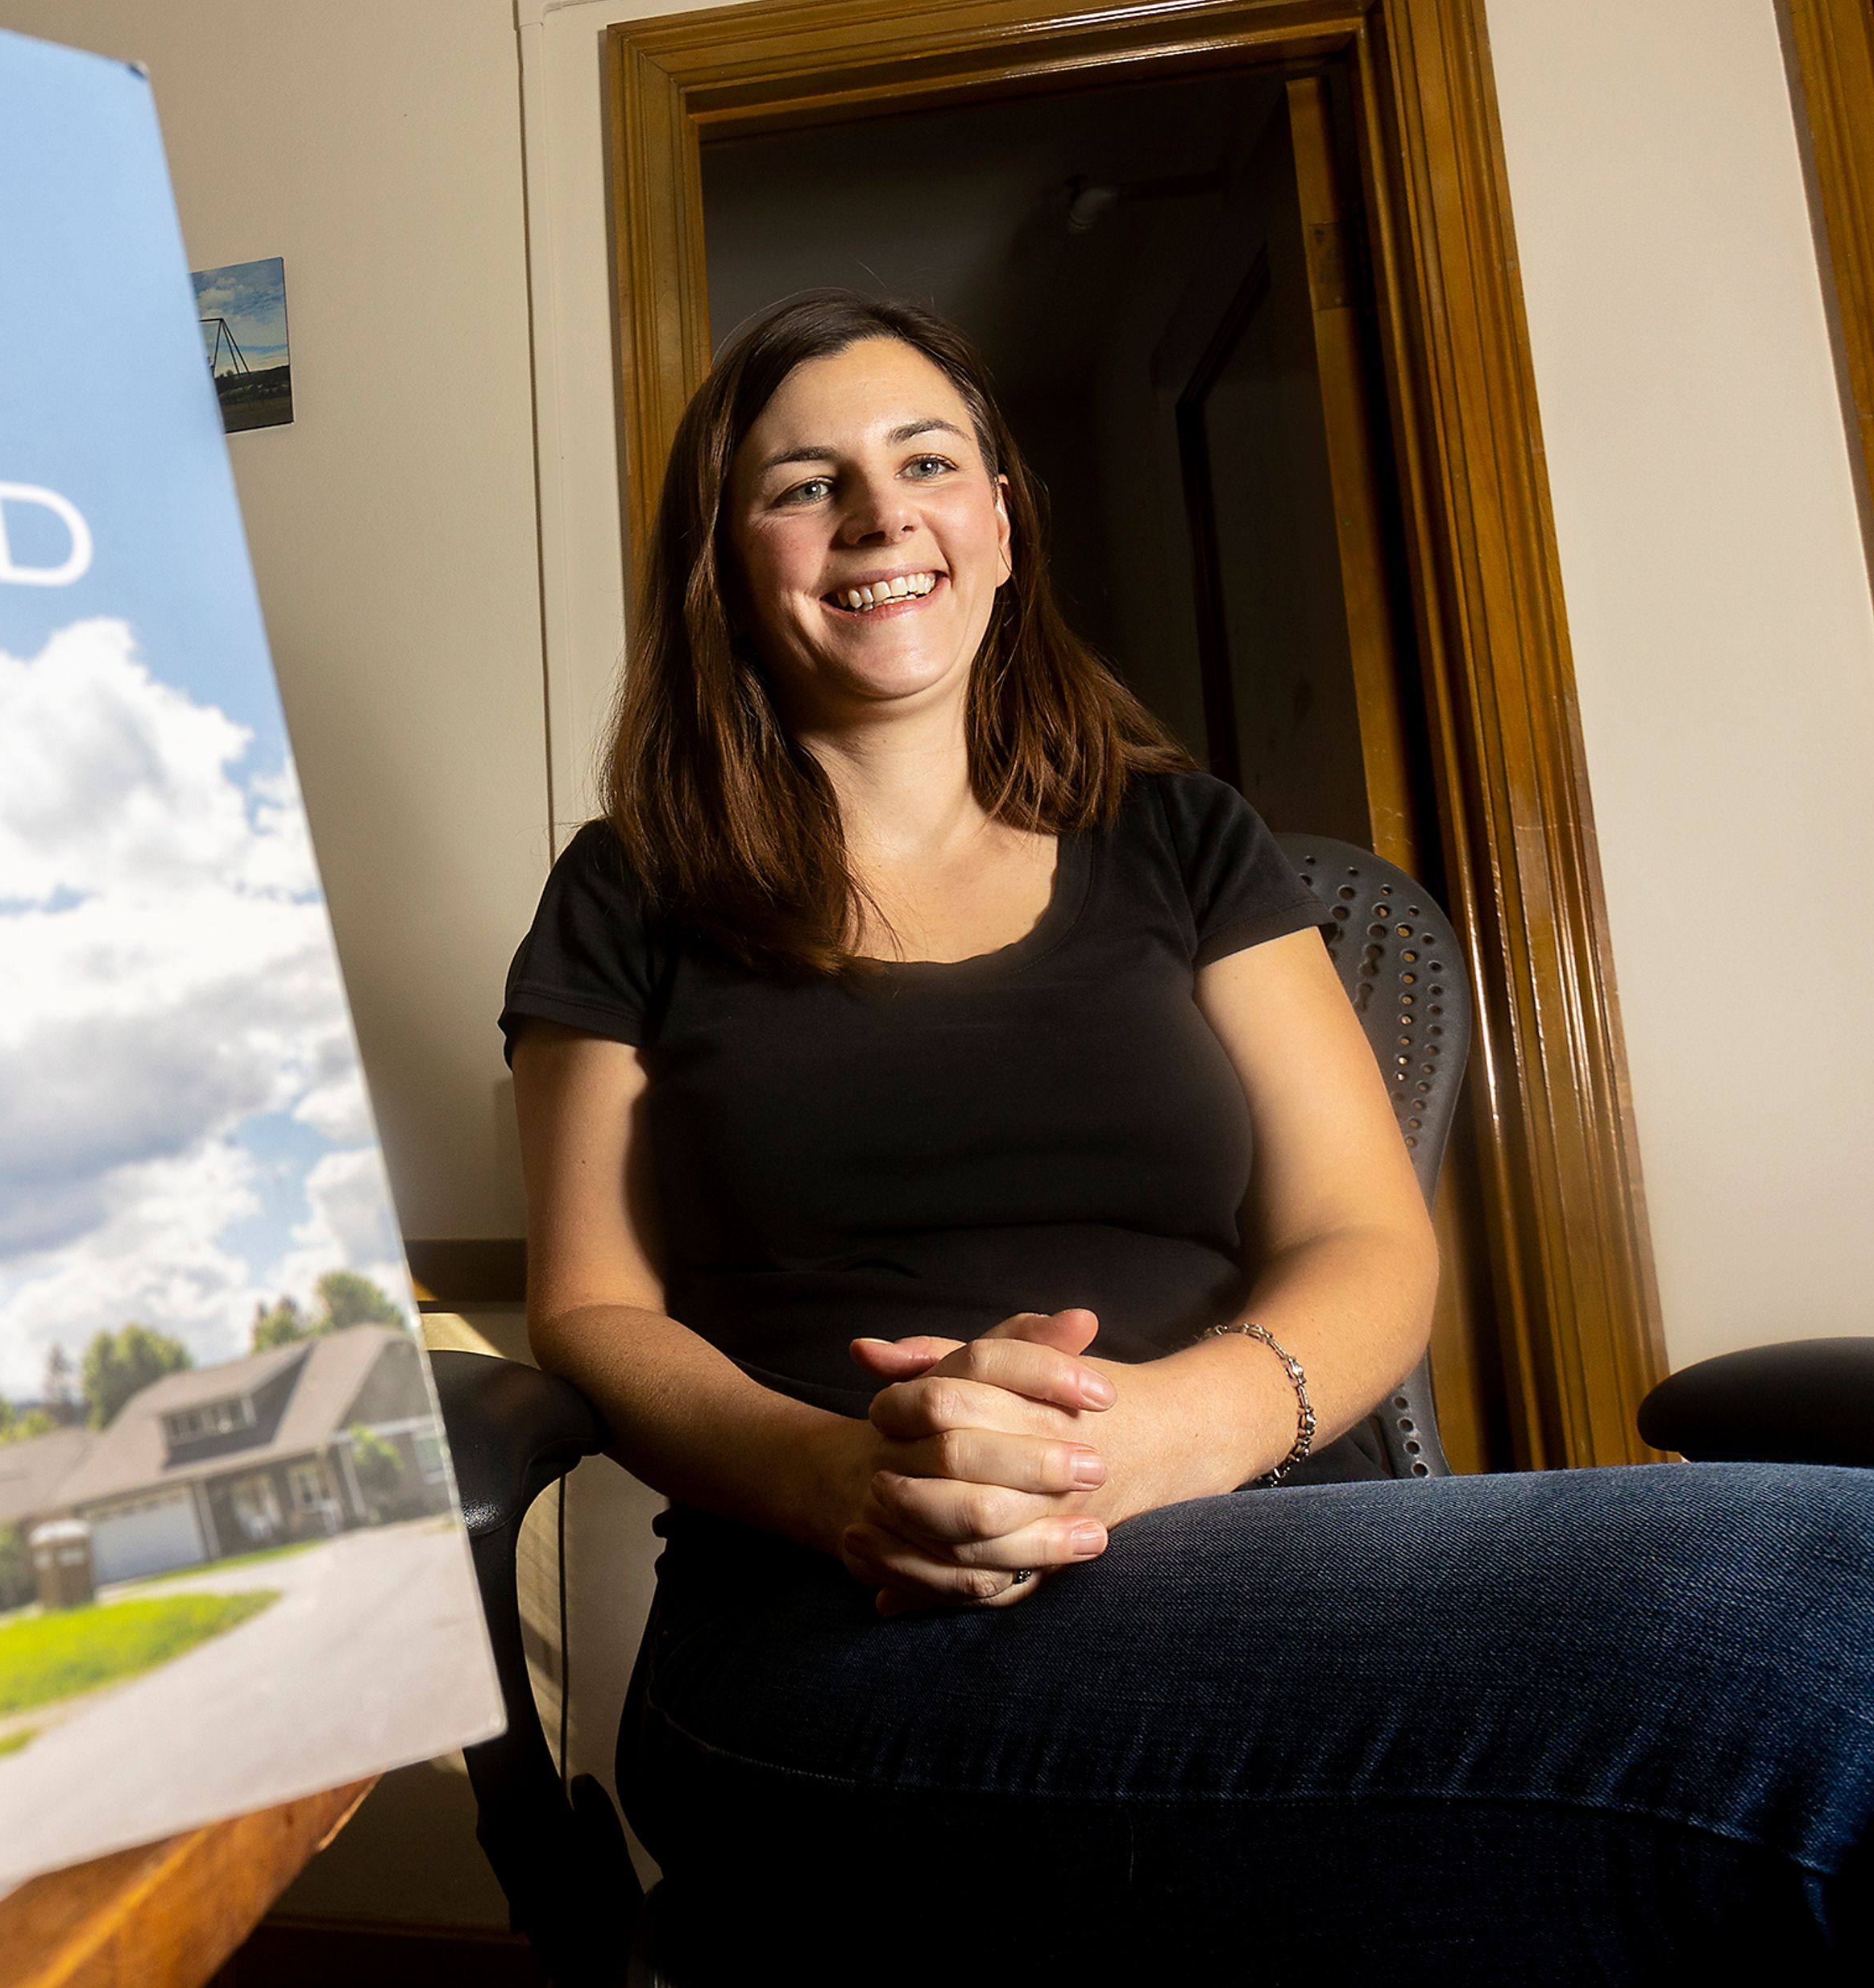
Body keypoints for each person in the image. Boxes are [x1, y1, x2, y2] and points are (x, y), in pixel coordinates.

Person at [501, 291, 1872, 1969]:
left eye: (926, 460)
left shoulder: (1183, 839)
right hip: (819, 1626)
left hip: (1239, 1538)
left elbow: (1364, 1242)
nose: (878, 514)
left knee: (1828, 1624)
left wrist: (1163, 1439)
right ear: (726, 556)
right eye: (802, 482)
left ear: (1000, 522)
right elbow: (588, 1302)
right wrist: (839, 1474)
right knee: (1827, 1642)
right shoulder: (628, 888)